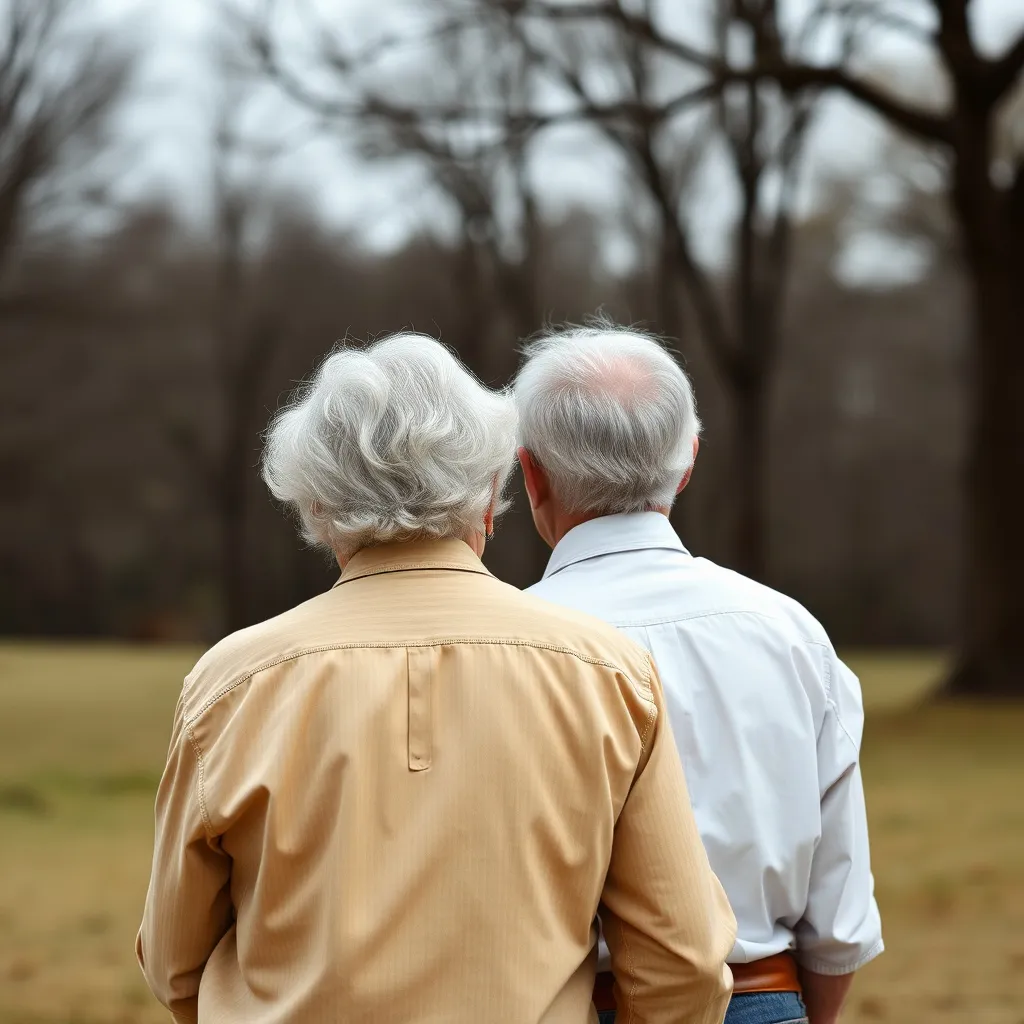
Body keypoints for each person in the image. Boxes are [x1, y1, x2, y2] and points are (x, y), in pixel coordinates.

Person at [136, 332, 736, 1024]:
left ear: (316, 506)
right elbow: (682, 963)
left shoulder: (233, 683)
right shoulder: (607, 673)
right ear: (489, 492)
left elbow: (175, 960)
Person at [514, 321, 884, 1024]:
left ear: (531, 474)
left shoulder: (502, 647)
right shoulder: (790, 634)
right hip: (764, 999)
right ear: (688, 462)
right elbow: (839, 918)